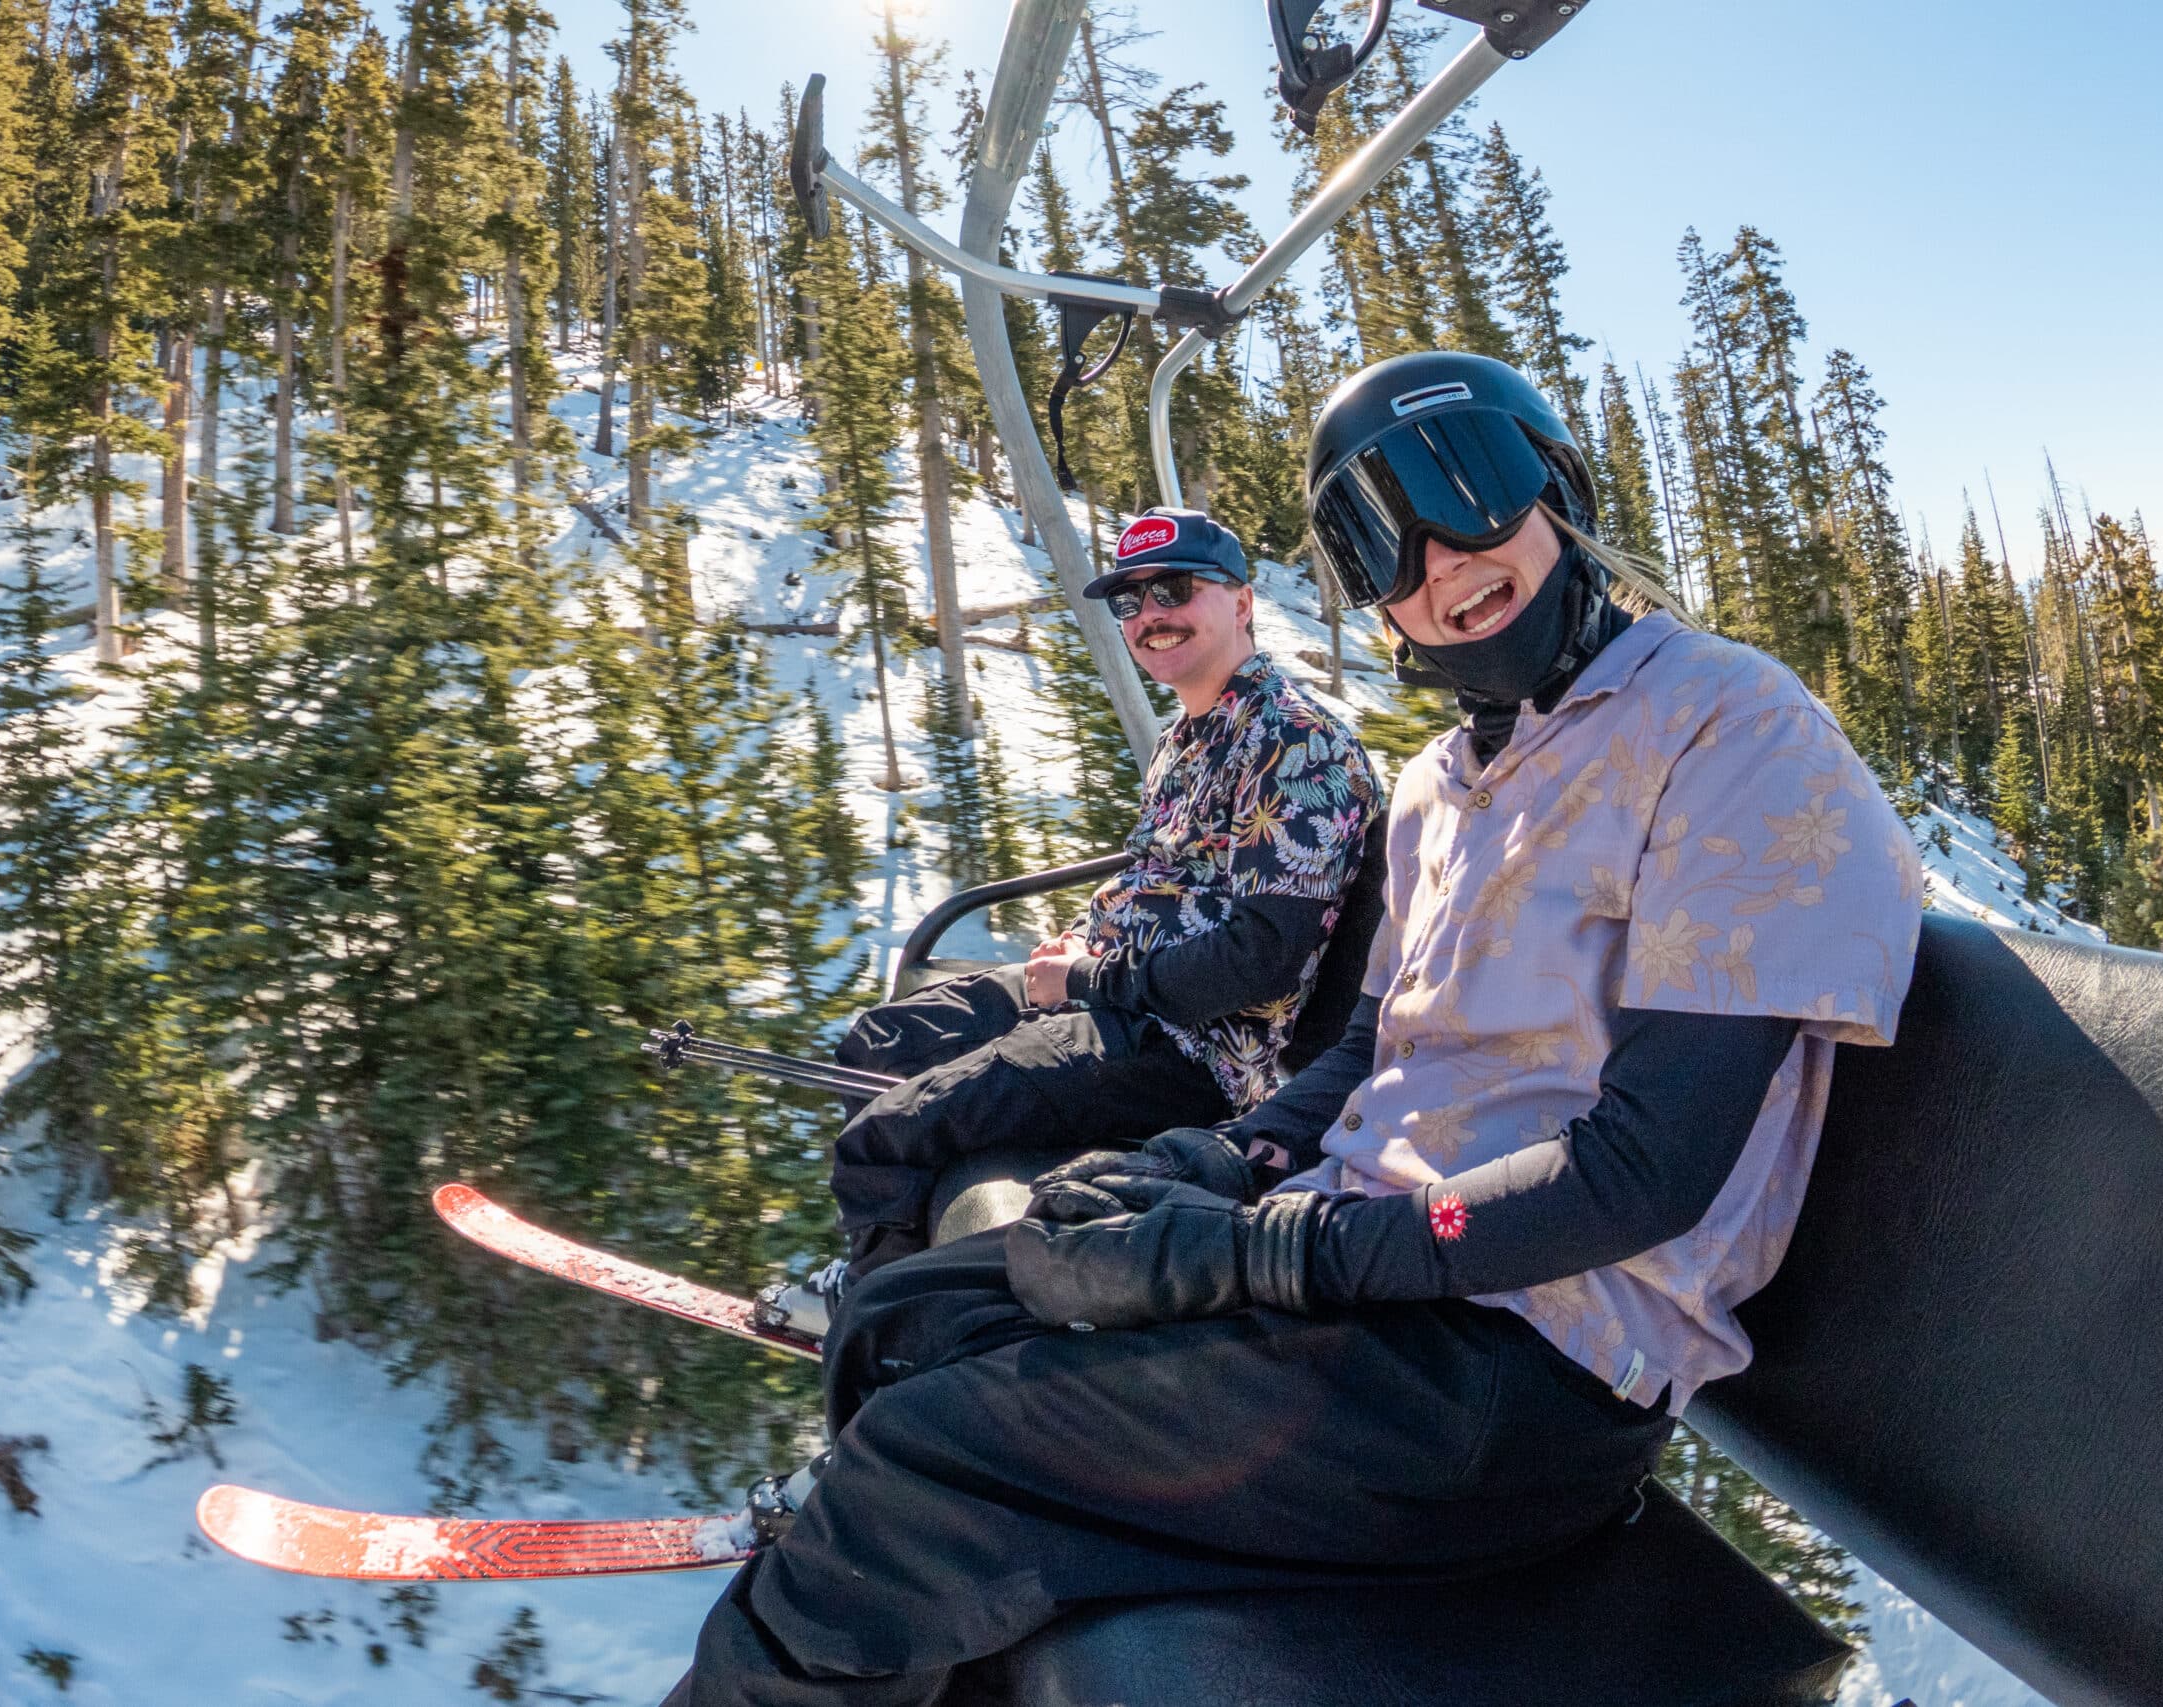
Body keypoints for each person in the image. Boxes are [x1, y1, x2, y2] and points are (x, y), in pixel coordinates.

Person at [667, 352, 1922, 1706]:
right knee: (919, 1317)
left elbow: (1645, 1171)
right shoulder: (1447, 785)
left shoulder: (1731, 728)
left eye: (1471, 489)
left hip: (1523, 1365)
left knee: (927, 1467)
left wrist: (1258, 1250)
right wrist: (1220, 1166)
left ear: (1560, 485)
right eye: (1384, 534)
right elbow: (1365, 1053)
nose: (1445, 557)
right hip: (1372, 1284)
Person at [758, 507, 1381, 1338]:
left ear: (1241, 601)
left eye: (1173, 588)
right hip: (1115, 997)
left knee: (889, 1133)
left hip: (1192, 1051)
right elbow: (1156, 877)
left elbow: (1260, 960)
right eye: (1131, 600)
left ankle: (888, 1333)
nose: (1151, 614)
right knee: (878, 1044)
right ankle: (892, 1284)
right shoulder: (1187, 739)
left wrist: (1088, 977)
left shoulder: (1298, 745)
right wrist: (1086, 938)